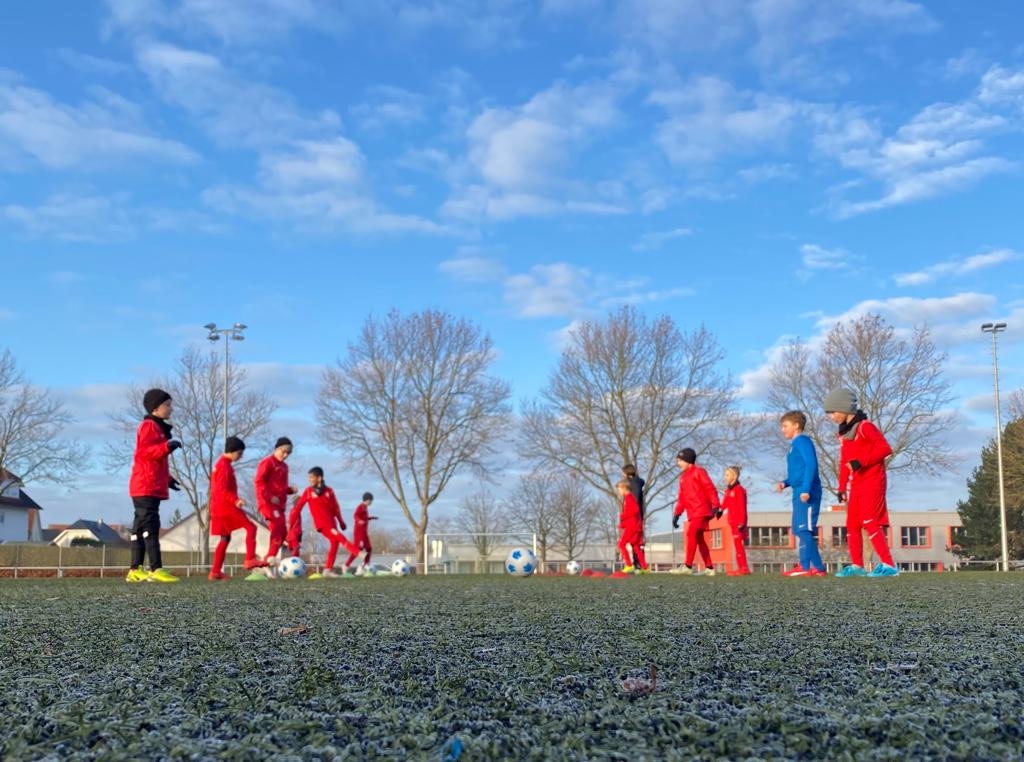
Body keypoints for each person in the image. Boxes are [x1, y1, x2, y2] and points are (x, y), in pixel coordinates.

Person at [825, 388, 899, 578]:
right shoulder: (844, 433)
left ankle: (889, 565)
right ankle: (857, 566)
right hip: (856, 484)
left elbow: (885, 448)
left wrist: (861, 462)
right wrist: (842, 487)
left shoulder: (865, 427)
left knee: (869, 521)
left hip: (873, 481)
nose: (831, 417)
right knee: (852, 524)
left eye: (833, 412)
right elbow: (845, 461)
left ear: (844, 408)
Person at [126, 388, 182, 583]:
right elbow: (146, 453)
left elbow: (155, 463)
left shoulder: (157, 428)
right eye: (167, 405)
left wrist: (167, 479)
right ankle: (156, 568)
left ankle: (135, 569)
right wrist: (166, 447)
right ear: (155, 408)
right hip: (145, 486)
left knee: (140, 528)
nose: (170, 408)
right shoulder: (149, 426)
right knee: (151, 526)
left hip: (147, 485)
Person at [775, 411, 827, 577]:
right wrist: (786, 483)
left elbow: (811, 464)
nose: (782, 429)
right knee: (799, 530)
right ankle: (816, 567)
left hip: (808, 491)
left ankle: (807, 566)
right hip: (798, 491)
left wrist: (806, 489)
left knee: (804, 529)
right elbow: (798, 471)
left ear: (796, 425)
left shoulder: (803, 441)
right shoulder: (794, 445)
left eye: (785, 426)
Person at [208, 436, 267, 580]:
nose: (241, 456)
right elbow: (221, 489)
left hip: (217, 506)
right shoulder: (224, 466)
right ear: (232, 450)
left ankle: (215, 572)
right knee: (251, 527)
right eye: (240, 453)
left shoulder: (221, 464)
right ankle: (250, 559)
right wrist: (235, 500)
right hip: (225, 506)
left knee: (225, 538)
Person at [287, 467, 358, 577]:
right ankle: (356, 551)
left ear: (319, 478)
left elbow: (336, 508)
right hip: (321, 524)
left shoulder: (329, 491)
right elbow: (298, 509)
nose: (309, 480)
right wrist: (290, 524)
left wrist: (341, 521)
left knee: (334, 543)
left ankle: (327, 570)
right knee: (339, 536)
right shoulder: (308, 491)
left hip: (332, 523)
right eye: (309, 477)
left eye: (311, 477)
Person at [670, 448, 721, 575]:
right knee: (699, 539)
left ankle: (687, 566)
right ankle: (709, 568)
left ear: (688, 460)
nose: (678, 463)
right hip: (692, 513)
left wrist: (716, 505)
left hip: (701, 510)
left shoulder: (699, 472)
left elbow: (710, 488)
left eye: (680, 460)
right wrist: (677, 514)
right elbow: (682, 498)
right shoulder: (682, 478)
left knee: (691, 533)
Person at [255, 437, 297, 567]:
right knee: (278, 526)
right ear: (277, 449)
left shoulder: (284, 467)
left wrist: (289, 490)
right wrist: (269, 496)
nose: (285, 455)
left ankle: (266, 561)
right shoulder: (267, 462)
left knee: (283, 532)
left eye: (288, 453)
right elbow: (259, 482)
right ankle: (270, 557)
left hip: (279, 505)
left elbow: (280, 487)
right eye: (284, 451)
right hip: (267, 502)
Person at [722, 465, 750, 576]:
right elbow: (724, 504)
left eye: (727, 475)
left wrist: (741, 522)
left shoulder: (739, 490)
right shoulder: (728, 491)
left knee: (739, 546)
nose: (725, 477)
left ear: (734, 476)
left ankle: (744, 568)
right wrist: (717, 510)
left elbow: (742, 507)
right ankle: (741, 568)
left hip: (739, 523)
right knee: (737, 546)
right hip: (732, 522)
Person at [616, 479, 648, 573]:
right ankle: (644, 567)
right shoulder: (628, 498)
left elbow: (635, 510)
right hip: (634, 526)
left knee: (621, 544)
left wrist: (623, 516)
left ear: (624, 488)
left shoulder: (629, 498)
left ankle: (629, 565)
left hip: (632, 526)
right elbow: (633, 513)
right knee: (636, 547)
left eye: (619, 490)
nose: (619, 492)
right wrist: (623, 524)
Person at [344, 492, 378, 573]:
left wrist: (371, 518)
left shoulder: (365, 508)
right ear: (366, 500)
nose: (371, 502)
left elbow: (365, 518)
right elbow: (355, 515)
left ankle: (366, 564)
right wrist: (359, 520)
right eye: (371, 500)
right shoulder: (360, 507)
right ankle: (346, 565)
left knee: (369, 548)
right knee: (358, 549)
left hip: (364, 533)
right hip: (359, 533)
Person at [622, 463, 646, 567]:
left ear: (627, 473)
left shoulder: (634, 484)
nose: (622, 475)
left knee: (634, 541)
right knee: (634, 541)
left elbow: (634, 502)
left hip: (635, 518)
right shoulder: (635, 484)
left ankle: (638, 564)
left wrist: (627, 516)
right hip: (635, 517)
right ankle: (639, 564)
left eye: (623, 473)